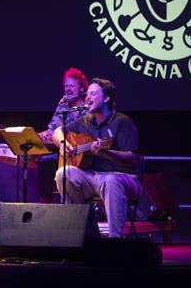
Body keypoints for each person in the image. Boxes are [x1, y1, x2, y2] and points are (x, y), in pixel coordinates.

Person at [52, 78, 142, 238]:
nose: (87, 98)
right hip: (92, 177)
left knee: (111, 181)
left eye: (93, 94)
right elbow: (57, 131)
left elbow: (132, 157)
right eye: (87, 94)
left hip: (123, 177)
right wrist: (63, 143)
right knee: (63, 173)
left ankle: (115, 240)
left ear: (106, 98)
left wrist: (105, 152)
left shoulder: (122, 122)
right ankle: (82, 234)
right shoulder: (85, 121)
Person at [36, 67, 89, 203]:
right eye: (66, 86)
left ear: (82, 89)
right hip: (65, 152)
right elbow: (52, 132)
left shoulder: (89, 108)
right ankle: (45, 204)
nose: (68, 89)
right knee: (45, 162)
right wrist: (33, 138)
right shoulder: (62, 107)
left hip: (85, 155)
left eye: (71, 86)